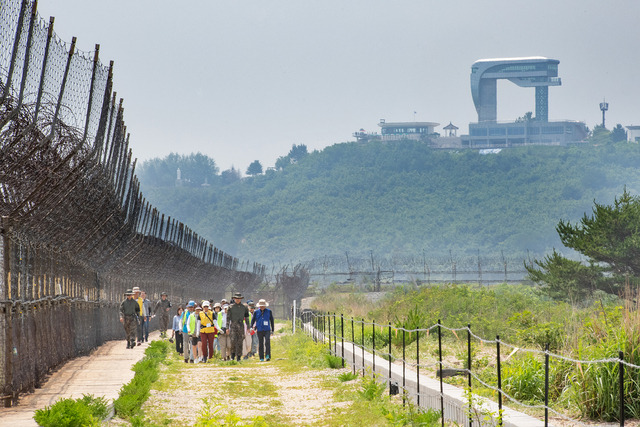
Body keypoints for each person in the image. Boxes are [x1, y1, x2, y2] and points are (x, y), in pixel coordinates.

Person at [227, 293, 250, 362]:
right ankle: (232, 356)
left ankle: (239, 357)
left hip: (241, 325)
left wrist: (248, 327)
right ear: (234, 299)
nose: (237, 300)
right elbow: (228, 318)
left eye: (239, 298)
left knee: (240, 341)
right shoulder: (230, 307)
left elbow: (247, 317)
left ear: (241, 299)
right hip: (233, 325)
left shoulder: (244, 307)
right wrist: (227, 327)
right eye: (236, 298)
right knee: (233, 340)